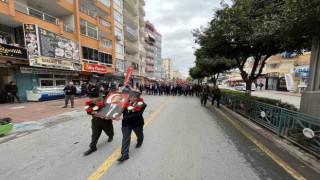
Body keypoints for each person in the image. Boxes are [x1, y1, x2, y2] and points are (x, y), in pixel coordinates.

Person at [117, 91, 147, 162]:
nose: (132, 98)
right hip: (126, 124)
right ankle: (125, 155)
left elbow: (137, 115)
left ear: (137, 98)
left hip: (137, 124)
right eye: (131, 97)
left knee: (139, 135)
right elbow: (118, 108)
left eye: (134, 97)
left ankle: (140, 141)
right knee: (125, 138)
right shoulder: (125, 102)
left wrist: (123, 118)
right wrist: (115, 115)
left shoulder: (142, 105)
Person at [83, 91, 114, 156]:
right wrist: (91, 112)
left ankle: (111, 136)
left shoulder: (104, 103)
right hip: (95, 122)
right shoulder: (89, 104)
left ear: (97, 98)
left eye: (92, 98)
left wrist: (98, 113)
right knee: (94, 134)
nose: (91, 99)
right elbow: (88, 111)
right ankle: (93, 147)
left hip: (105, 122)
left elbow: (109, 111)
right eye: (90, 98)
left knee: (109, 132)